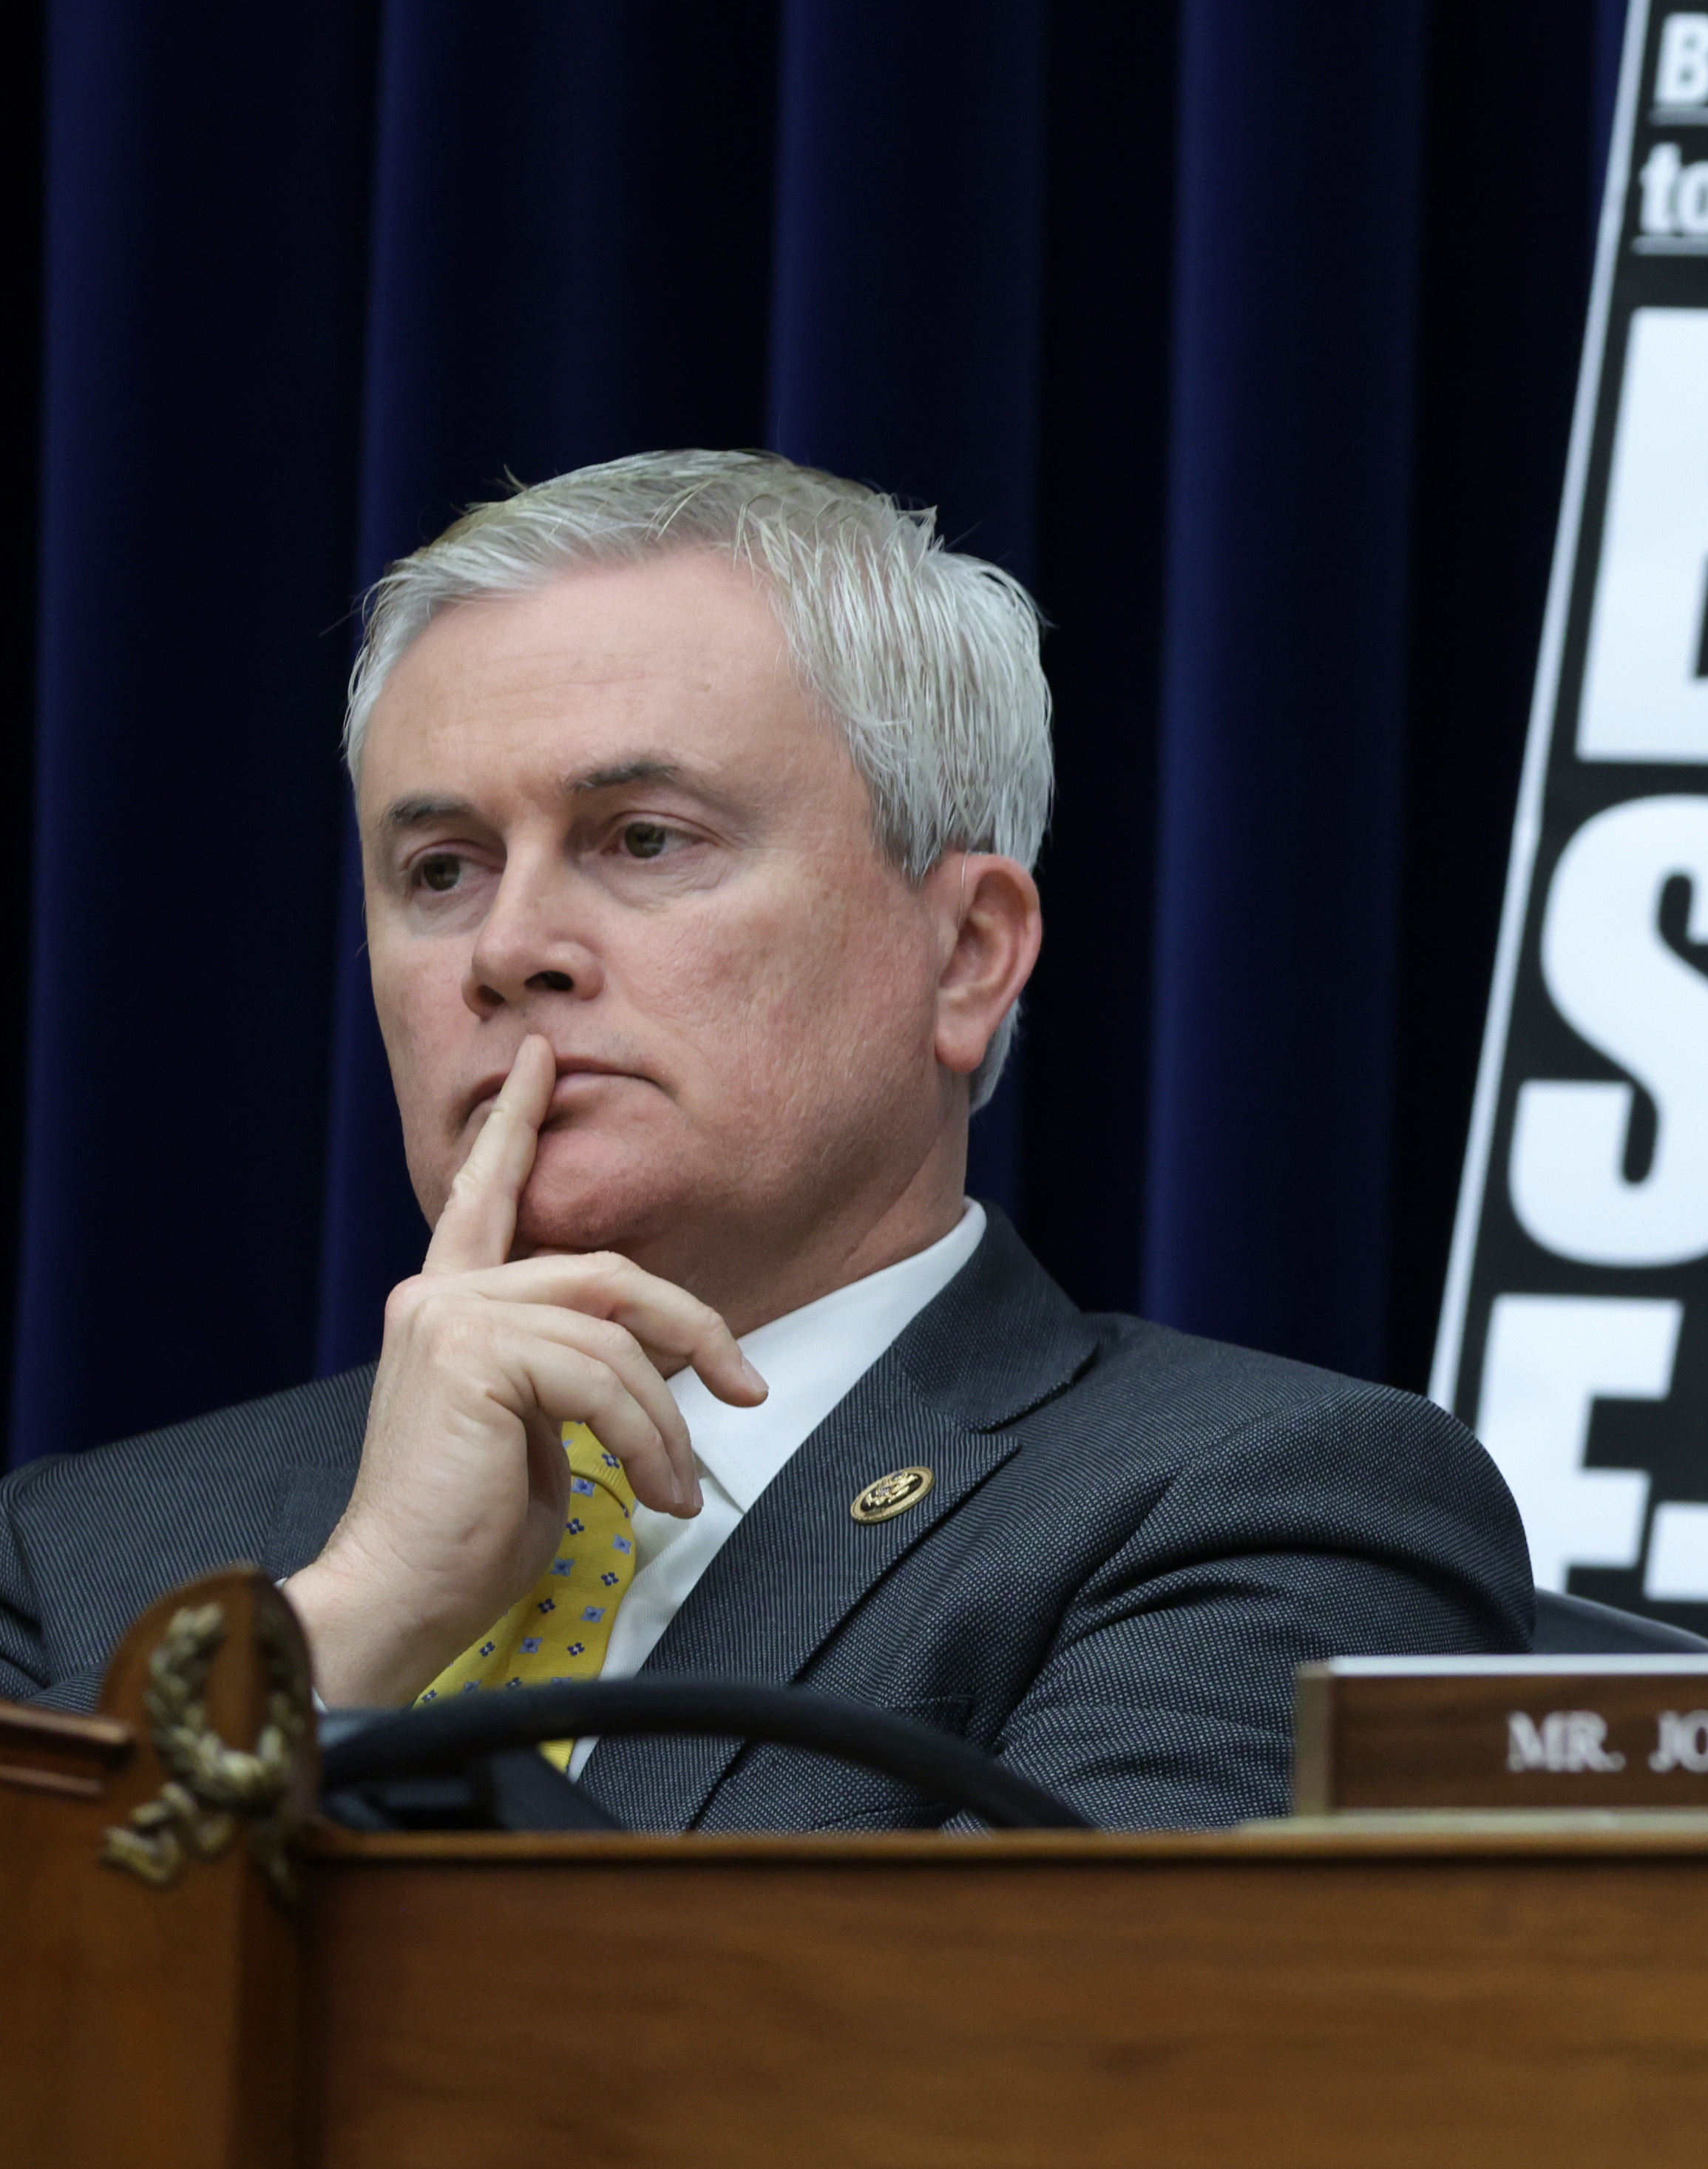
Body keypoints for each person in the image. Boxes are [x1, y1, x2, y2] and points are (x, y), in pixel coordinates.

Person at [0, 452, 1531, 1827]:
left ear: (967, 955)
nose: (508, 945)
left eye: (643, 839)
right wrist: (348, 1633)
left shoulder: (1261, 1510)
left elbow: (1014, 2093)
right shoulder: (90, 1553)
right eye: (443, 867)